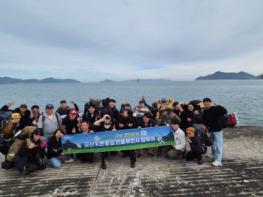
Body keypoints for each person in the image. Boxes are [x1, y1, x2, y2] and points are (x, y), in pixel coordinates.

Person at [202, 98, 227, 167]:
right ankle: (215, 157)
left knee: (218, 145)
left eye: (207, 102)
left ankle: (218, 160)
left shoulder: (216, 109)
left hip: (218, 130)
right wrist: (204, 126)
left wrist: (219, 105)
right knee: (212, 144)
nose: (206, 104)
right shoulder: (205, 111)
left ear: (210, 102)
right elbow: (205, 120)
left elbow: (225, 111)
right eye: (205, 102)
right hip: (211, 130)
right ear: (203, 103)